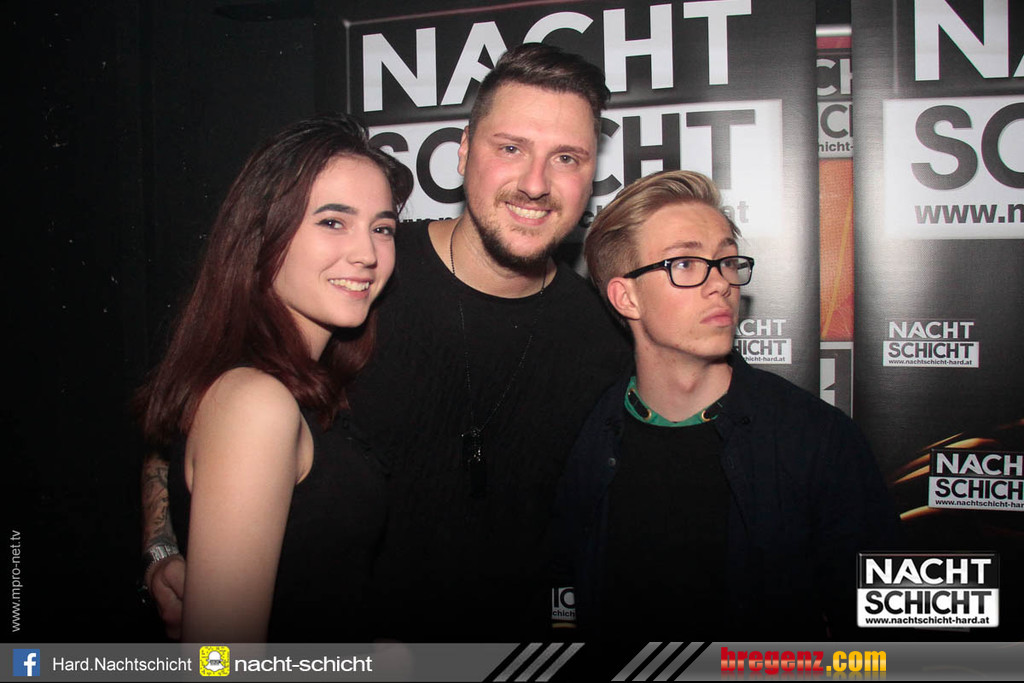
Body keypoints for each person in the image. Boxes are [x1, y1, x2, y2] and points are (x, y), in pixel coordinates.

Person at [141, 44, 631, 641]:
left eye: (566, 158)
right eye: (510, 148)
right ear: (463, 153)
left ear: (591, 174)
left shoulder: (607, 336)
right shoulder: (355, 289)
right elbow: (189, 424)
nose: (535, 183)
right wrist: (164, 547)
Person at [551, 170, 903, 640]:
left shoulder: (818, 440)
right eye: (685, 263)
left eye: (726, 261)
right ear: (626, 297)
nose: (720, 283)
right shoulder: (583, 438)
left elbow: (888, 636)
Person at [135, 113, 413, 642]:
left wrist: (161, 550)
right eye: (332, 222)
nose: (366, 254)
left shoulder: (289, 381)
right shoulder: (256, 402)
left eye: (382, 228)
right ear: (263, 236)